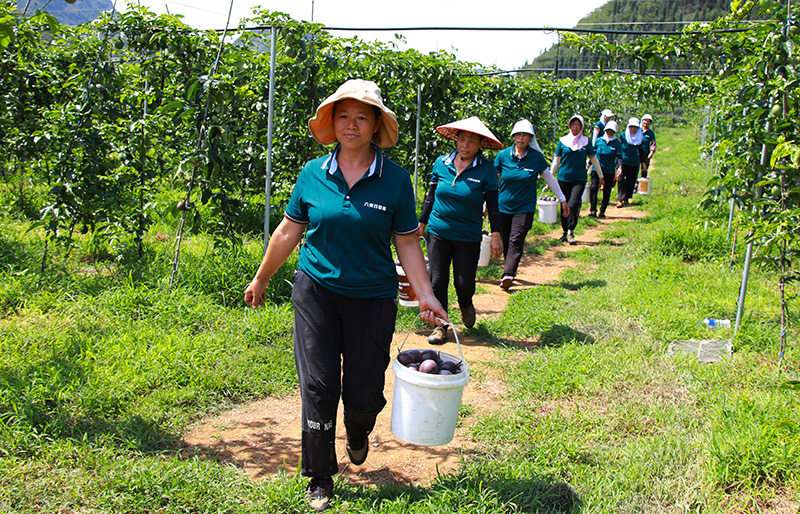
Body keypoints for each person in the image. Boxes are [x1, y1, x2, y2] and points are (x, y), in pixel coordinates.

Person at [243, 79, 448, 512]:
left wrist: (426, 292)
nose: (351, 124)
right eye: (343, 115)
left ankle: (358, 430)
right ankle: (320, 474)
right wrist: (261, 278)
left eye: (361, 116)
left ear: (376, 125)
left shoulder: (394, 180)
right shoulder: (312, 174)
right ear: (331, 122)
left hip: (372, 297)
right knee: (317, 385)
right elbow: (287, 231)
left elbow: (407, 242)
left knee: (363, 392)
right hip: (315, 291)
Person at [418, 116, 503, 344]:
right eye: (462, 139)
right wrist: (421, 223)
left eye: (471, 142)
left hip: (467, 236)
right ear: (455, 140)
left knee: (463, 283)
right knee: (437, 280)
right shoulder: (441, 163)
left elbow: (493, 206)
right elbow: (430, 196)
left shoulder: (486, 170)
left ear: (480, 145)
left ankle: (466, 304)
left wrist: (496, 234)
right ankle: (441, 326)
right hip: (438, 231)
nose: (465, 145)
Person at [494, 119, 569, 290]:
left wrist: (562, 199)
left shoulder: (536, 158)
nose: (521, 138)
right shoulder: (503, 156)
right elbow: (493, 182)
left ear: (530, 138)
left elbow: (549, 178)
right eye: (518, 135)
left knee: (516, 239)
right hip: (503, 206)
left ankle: (508, 274)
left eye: (525, 136)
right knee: (506, 239)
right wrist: (486, 202)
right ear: (513, 136)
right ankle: (510, 268)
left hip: (524, 207)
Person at [550, 114, 603, 245]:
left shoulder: (586, 142)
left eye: (578, 125)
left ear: (582, 127)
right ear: (569, 125)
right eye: (573, 124)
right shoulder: (563, 141)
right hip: (563, 178)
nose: (575, 127)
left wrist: (601, 176)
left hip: (579, 178)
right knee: (564, 204)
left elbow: (594, 159)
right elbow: (556, 161)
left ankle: (570, 230)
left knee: (573, 203)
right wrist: (550, 178)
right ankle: (564, 230)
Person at [589, 120, 622, 218]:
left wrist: (620, 166)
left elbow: (619, 157)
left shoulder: (616, 143)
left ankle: (602, 210)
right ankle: (593, 210)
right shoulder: (599, 141)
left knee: (607, 190)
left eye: (611, 131)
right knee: (593, 188)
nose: (609, 132)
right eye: (607, 130)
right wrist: (589, 163)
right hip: (596, 169)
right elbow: (593, 154)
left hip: (609, 170)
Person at [616, 117, 647, 208]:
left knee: (631, 180)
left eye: (635, 127)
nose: (633, 129)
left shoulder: (640, 137)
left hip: (633, 162)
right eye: (631, 127)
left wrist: (643, 163)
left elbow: (642, 151)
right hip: (623, 161)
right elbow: (617, 146)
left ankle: (626, 198)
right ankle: (620, 199)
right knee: (621, 179)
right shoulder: (623, 136)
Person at [639, 114, 656, 178]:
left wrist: (651, 152)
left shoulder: (650, 133)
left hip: (646, 153)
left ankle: (642, 183)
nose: (646, 122)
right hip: (636, 152)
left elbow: (653, 143)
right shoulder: (638, 130)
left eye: (648, 121)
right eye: (645, 120)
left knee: (644, 169)